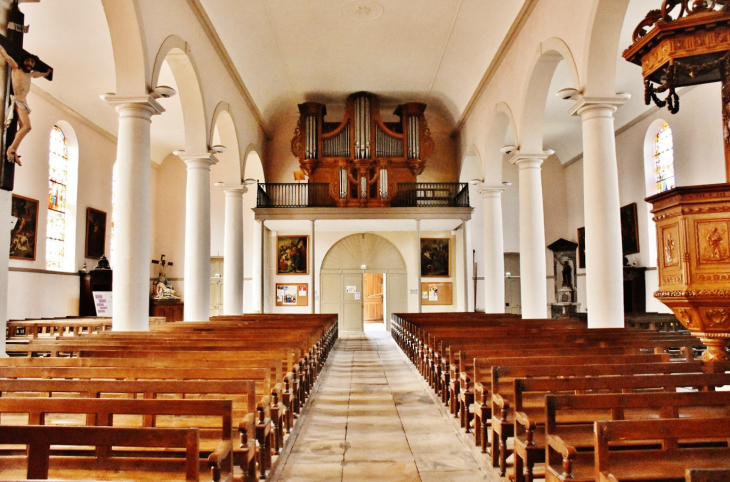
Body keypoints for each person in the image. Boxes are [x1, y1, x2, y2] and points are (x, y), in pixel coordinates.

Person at [0, 44, 53, 165]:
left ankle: (14, 150)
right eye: (28, 60)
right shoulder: (16, 68)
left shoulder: (30, 74)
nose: (29, 63)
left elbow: (40, 74)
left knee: (23, 127)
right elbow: (7, 57)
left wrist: (47, 73)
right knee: (27, 127)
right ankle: (11, 149)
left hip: (23, 102)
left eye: (32, 61)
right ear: (23, 61)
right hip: (17, 100)